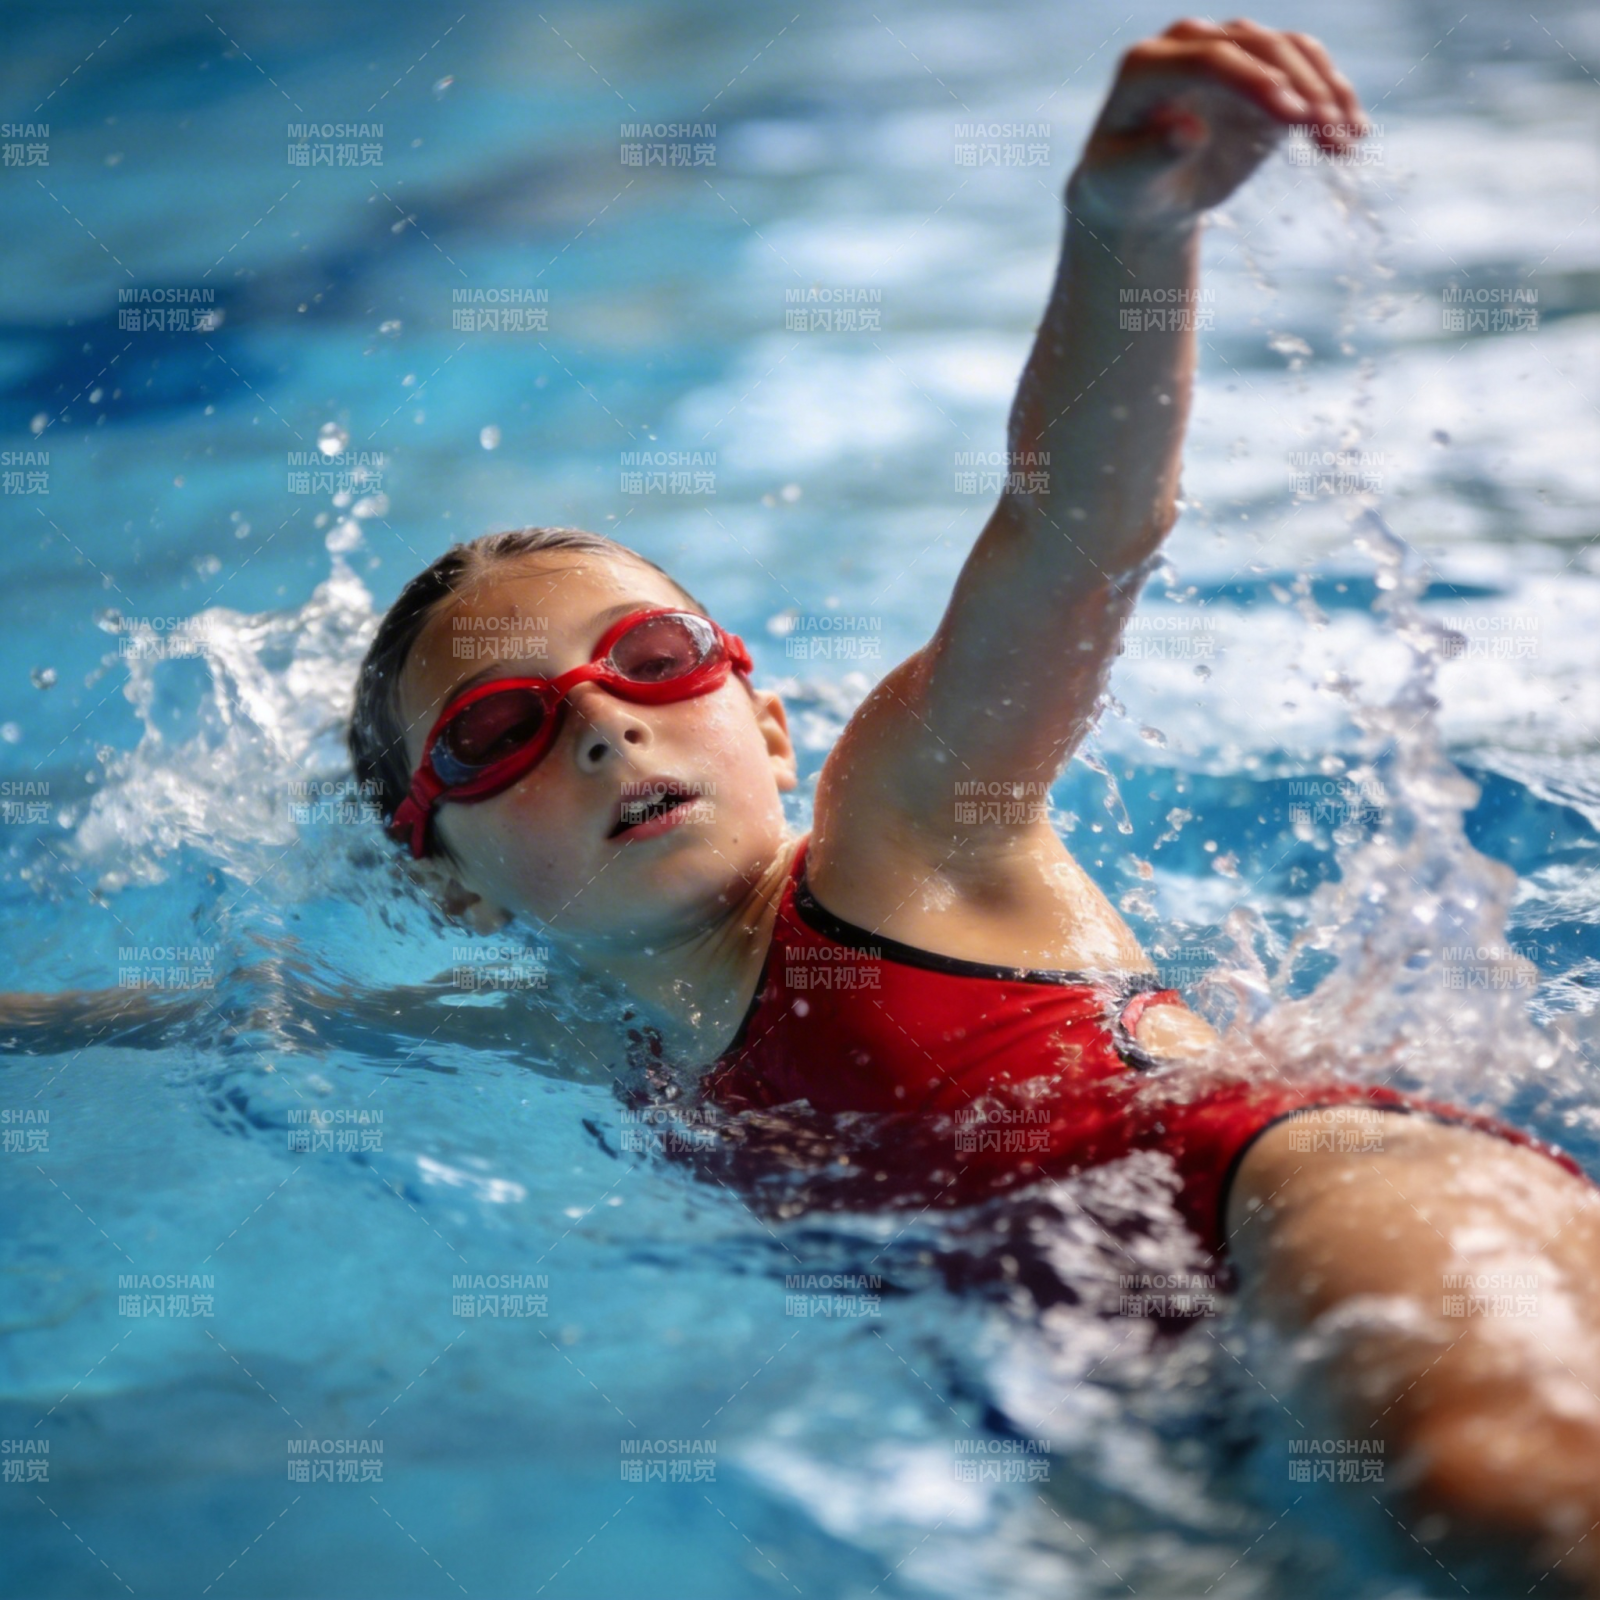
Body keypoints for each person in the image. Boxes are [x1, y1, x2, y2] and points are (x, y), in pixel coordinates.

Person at [9, 19, 1599, 1593]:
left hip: (1300, 1190)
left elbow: (1075, 528)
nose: (606, 731)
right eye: (499, 733)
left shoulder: (909, 830)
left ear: (764, 719)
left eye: (650, 658)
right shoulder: (601, 1040)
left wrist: (1126, 224)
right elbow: (240, 1014)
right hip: (1121, 1382)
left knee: (1498, 1499)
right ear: (454, 883)